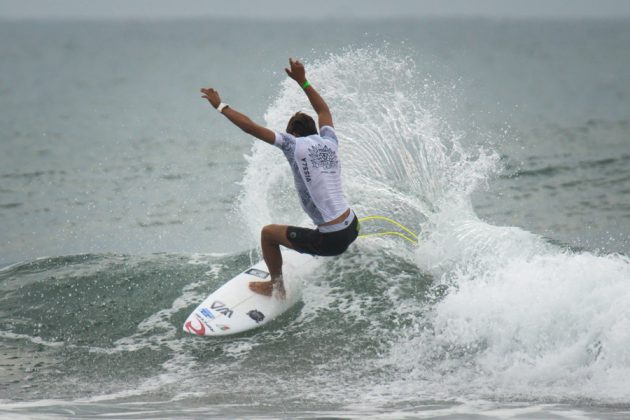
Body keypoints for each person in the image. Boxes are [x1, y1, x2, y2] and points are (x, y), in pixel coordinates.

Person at [201, 58, 358, 298]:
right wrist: (302, 81)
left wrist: (220, 106)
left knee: (268, 234)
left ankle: (276, 287)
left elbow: (250, 128)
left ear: (293, 133)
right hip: (353, 226)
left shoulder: (292, 143)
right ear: (314, 131)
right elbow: (323, 111)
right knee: (318, 224)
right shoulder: (329, 142)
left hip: (333, 239)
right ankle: (319, 245)